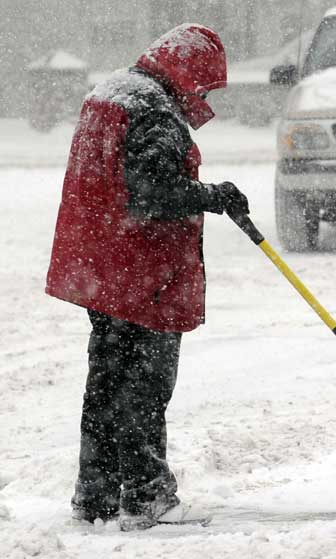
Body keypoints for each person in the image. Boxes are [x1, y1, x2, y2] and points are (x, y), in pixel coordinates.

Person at [45, 24, 250, 530]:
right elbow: (154, 192)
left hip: (103, 267)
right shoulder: (153, 108)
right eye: (204, 84)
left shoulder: (111, 92)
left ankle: (95, 497)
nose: (203, 96)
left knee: (107, 386)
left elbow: (120, 182)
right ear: (189, 70)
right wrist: (212, 194)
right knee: (144, 387)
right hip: (141, 273)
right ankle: (146, 496)